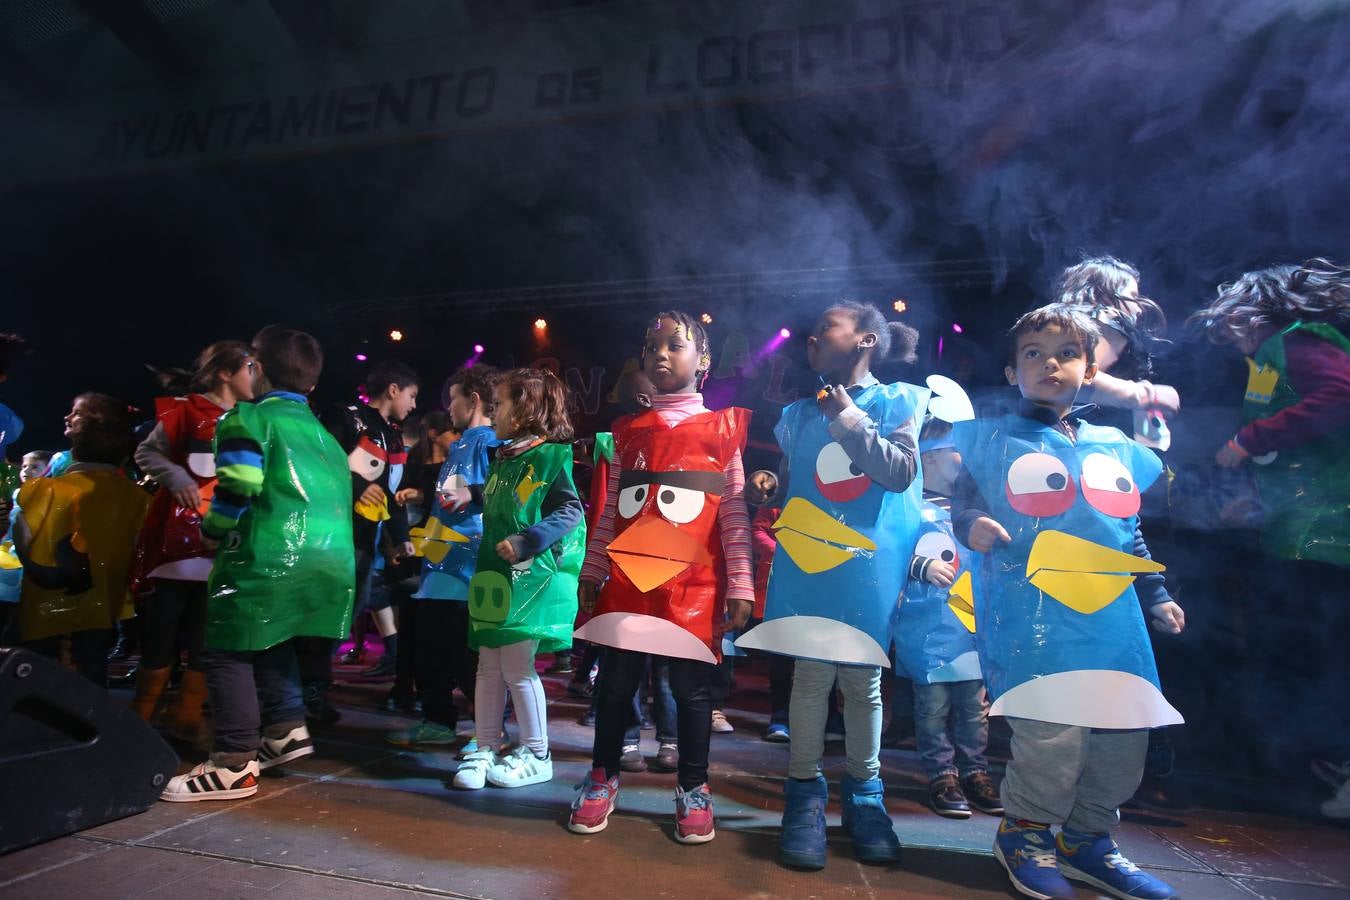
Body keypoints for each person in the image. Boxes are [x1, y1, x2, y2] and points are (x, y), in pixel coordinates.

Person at [952, 304, 1184, 900]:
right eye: (1033, 353)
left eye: (1066, 353)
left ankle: (1088, 839)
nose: (1050, 363)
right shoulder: (993, 441)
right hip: (1033, 614)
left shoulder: (1112, 445)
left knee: (1122, 733)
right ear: (1012, 372)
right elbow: (966, 504)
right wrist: (972, 524)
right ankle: (1025, 834)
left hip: (1112, 617)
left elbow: (1125, 529)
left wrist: (1155, 593)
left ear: (1089, 368)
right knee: (1054, 735)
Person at [740, 301, 924, 870]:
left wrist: (849, 419)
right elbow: (803, 483)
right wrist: (770, 485)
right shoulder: (797, 413)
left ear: (867, 339)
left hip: (865, 567)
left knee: (862, 681)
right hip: (811, 561)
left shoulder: (900, 400)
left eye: (829, 328)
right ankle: (804, 794)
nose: (814, 338)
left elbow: (898, 471)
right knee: (810, 678)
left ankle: (866, 799)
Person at [570, 311, 753, 843]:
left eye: (675, 345)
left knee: (692, 692)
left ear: (705, 362)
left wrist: (740, 582)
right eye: (651, 347)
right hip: (628, 578)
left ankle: (693, 787)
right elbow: (610, 512)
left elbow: (735, 513)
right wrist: (594, 564)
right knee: (616, 684)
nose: (661, 355)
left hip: (693, 587)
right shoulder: (627, 432)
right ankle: (603, 776)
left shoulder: (724, 430)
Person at [160, 326, 355, 802]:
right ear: (310, 383)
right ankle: (286, 729)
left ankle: (232, 762)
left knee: (225, 649)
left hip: (268, 555)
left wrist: (210, 530)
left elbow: (241, 484)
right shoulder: (326, 436)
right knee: (273, 636)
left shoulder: (247, 419)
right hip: (328, 561)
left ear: (257, 369)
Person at [1189, 258, 1350, 818]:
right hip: (1301, 527)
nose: (1229, 336)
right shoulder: (1271, 358)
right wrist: (1256, 498)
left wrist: (1249, 439)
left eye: (1233, 322)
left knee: (1320, 652)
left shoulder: (1298, 341)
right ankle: (1317, 768)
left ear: (1254, 312)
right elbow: (1302, 448)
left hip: (1329, 533)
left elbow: (1337, 397)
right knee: (1297, 649)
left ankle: (1336, 765)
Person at [454, 367, 585, 790]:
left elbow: (569, 511)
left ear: (527, 409)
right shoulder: (505, 458)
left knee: (515, 665)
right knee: (487, 663)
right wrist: (470, 494)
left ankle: (537, 752)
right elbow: (500, 493)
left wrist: (528, 540)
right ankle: (488, 742)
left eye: (501, 404)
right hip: (495, 576)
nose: (494, 413)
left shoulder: (552, 456)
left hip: (530, 578)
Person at [130, 341, 257, 741]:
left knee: (208, 630)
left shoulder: (253, 418)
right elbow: (147, 454)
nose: (256, 375)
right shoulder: (183, 409)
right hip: (176, 542)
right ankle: (141, 714)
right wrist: (176, 476)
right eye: (249, 367)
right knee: (161, 628)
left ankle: (186, 713)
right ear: (225, 372)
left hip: (223, 542)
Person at [387, 366, 501, 747]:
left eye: (453, 398)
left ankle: (490, 731)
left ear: (475, 399)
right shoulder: (461, 445)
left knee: (466, 654)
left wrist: (476, 492)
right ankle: (437, 721)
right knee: (433, 650)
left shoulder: (491, 443)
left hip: (467, 568)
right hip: (441, 566)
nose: (448, 407)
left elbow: (509, 491)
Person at [894, 416, 1000, 819]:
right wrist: (920, 566)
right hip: (929, 631)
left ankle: (975, 770)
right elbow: (890, 553)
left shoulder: (974, 508)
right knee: (933, 706)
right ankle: (942, 772)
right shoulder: (910, 507)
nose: (964, 459)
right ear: (932, 457)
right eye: (957, 450)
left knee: (975, 706)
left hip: (973, 628)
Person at [10, 394, 149, 685]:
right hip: (102, 606)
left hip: (43, 611)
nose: (66, 418)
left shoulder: (41, 490)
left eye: (75, 414)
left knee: (33, 672)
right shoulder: (137, 497)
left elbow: (22, 536)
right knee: (91, 667)